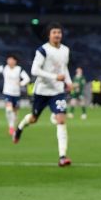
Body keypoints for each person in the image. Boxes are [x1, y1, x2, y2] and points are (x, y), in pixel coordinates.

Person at [12, 22, 73, 167]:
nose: (57, 35)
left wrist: (69, 82)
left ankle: (62, 156)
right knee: (33, 119)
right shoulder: (43, 50)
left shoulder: (65, 50)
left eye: (59, 32)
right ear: (49, 35)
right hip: (42, 91)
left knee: (61, 120)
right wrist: (54, 77)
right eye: (54, 32)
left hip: (57, 91)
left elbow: (64, 69)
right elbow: (34, 70)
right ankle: (19, 129)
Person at [0, 53, 30, 136]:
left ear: (15, 61)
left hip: (16, 94)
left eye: (11, 59)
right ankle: (11, 127)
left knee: (14, 113)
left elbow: (27, 79)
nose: (9, 61)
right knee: (8, 110)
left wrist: (21, 83)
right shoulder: (4, 68)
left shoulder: (19, 69)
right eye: (8, 59)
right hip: (7, 93)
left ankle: (14, 126)